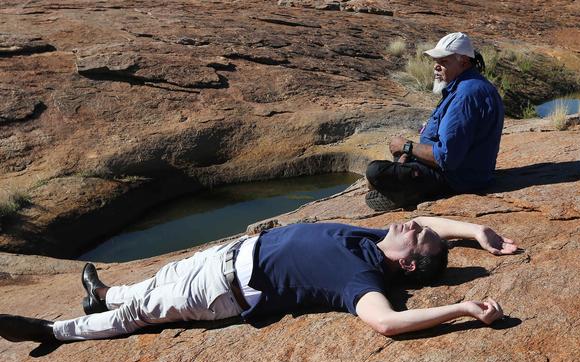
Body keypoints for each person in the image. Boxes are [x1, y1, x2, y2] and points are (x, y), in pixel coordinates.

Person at [0, 216, 517, 343]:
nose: (415, 224)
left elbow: (385, 323)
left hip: (220, 291)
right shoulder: (374, 237)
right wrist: (476, 231)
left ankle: (51, 331)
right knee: (149, 284)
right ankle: (101, 294)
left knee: (140, 315)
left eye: (418, 235)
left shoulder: (361, 277)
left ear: (408, 264)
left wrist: (463, 309)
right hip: (223, 255)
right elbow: (437, 228)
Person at [365, 32, 505, 211]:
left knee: (375, 171)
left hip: (457, 179)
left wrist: (407, 146)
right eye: (436, 62)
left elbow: (447, 158)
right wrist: (408, 153)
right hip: (466, 171)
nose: (436, 68)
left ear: (463, 61)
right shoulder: (467, 85)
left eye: (444, 62)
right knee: (396, 158)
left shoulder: (466, 95)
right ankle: (401, 186)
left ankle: (407, 192)